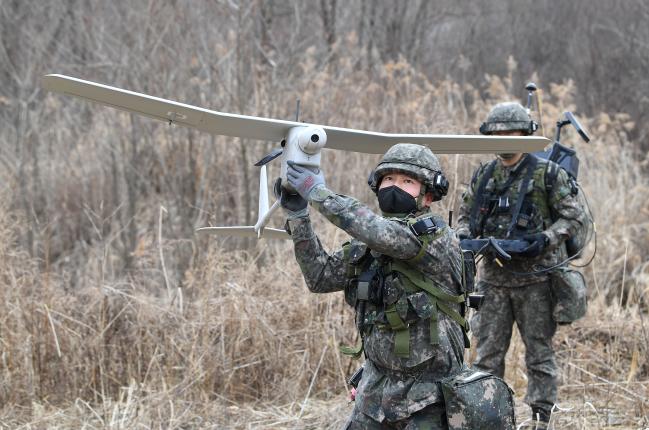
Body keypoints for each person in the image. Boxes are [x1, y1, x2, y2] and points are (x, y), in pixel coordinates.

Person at [279, 143, 467, 429]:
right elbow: (320, 277)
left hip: (428, 398)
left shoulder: (434, 236)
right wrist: (298, 216)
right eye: (388, 179)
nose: (395, 187)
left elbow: (378, 231)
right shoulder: (369, 242)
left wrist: (317, 191)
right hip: (375, 392)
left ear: (428, 194)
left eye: (407, 181)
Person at [456, 102, 586, 427]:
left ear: (525, 134)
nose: (503, 140)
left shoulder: (547, 174)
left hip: (536, 283)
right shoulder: (484, 175)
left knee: (539, 355)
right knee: (486, 359)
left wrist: (545, 238)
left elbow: (574, 216)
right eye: (497, 134)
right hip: (493, 282)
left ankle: (541, 418)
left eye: (510, 133)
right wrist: (465, 240)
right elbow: (464, 217)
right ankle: (489, 418)